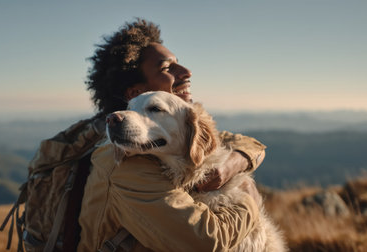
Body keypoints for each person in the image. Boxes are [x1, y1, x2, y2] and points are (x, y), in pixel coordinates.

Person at [30, 19, 266, 251]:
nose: (186, 72)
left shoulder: (166, 130)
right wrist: (250, 201)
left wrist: (236, 161)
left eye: (178, 64)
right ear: (137, 93)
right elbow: (206, 241)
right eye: (167, 68)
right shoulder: (126, 165)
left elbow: (235, 140)